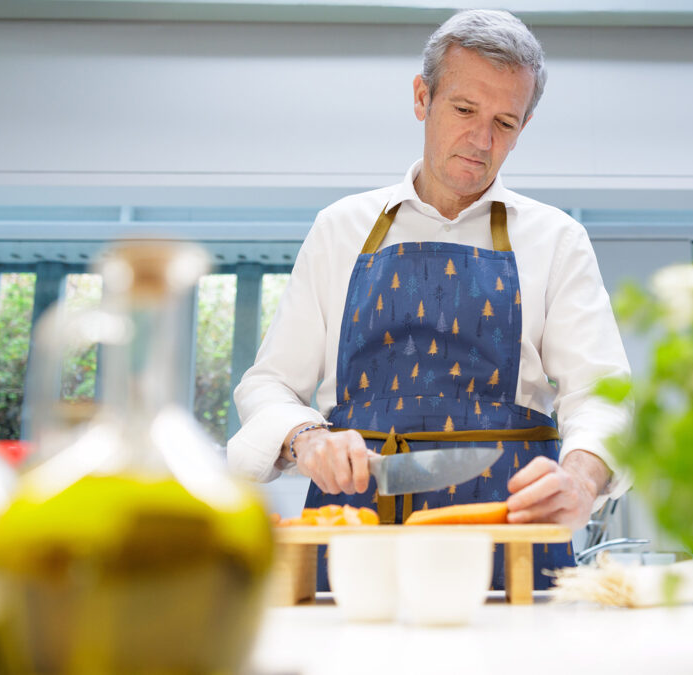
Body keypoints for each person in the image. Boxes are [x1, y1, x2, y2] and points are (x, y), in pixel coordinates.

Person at [228, 9, 631, 590]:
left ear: (526, 125)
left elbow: (603, 395)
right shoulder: (342, 227)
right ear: (423, 97)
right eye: (464, 110)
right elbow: (267, 385)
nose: (482, 140)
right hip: (353, 537)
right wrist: (305, 437)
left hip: (510, 540)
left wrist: (582, 477)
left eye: (506, 122)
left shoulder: (557, 238)